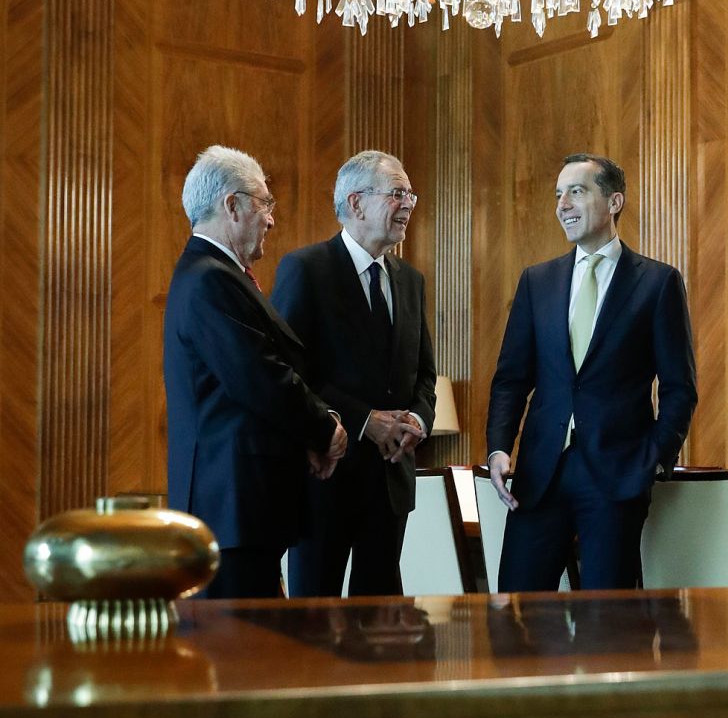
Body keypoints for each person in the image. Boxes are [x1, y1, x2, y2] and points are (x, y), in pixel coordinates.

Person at [486, 153, 697, 590]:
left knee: (610, 627)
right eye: (558, 194)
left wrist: (654, 457)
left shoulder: (657, 283)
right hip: (539, 475)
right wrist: (498, 448)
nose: (563, 203)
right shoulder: (536, 282)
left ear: (614, 201)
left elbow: (679, 387)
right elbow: (511, 378)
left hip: (617, 475)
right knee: (514, 617)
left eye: (576, 191)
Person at [164, 145, 346, 600]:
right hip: (231, 509)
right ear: (232, 205)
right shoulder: (211, 278)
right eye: (265, 203)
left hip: (243, 510)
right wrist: (325, 429)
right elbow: (262, 378)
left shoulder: (218, 274)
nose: (271, 218)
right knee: (240, 658)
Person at [272, 150, 437, 596]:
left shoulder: (410, 280)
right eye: (397, 193)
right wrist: (366, 421)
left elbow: (424, 373)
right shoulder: (306, 269)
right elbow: (291, 371)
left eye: (410, 195)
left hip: (390, 481)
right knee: (313, 622)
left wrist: (417, 421)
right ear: (357, 202)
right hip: (328, 477)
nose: (407, 204)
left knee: (380, 632)